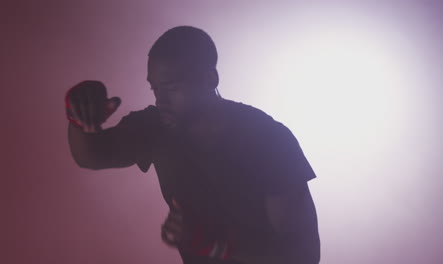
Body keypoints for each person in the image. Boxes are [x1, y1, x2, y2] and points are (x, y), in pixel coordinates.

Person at [66, 26, 320, 264]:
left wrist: (215, 245)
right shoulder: (155, 126)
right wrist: (79, 118)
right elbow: (92, 156)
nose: (160, 99)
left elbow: (303, 254)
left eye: (172, 87)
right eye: (155, 88)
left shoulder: (268, 138)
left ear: (210, 78)